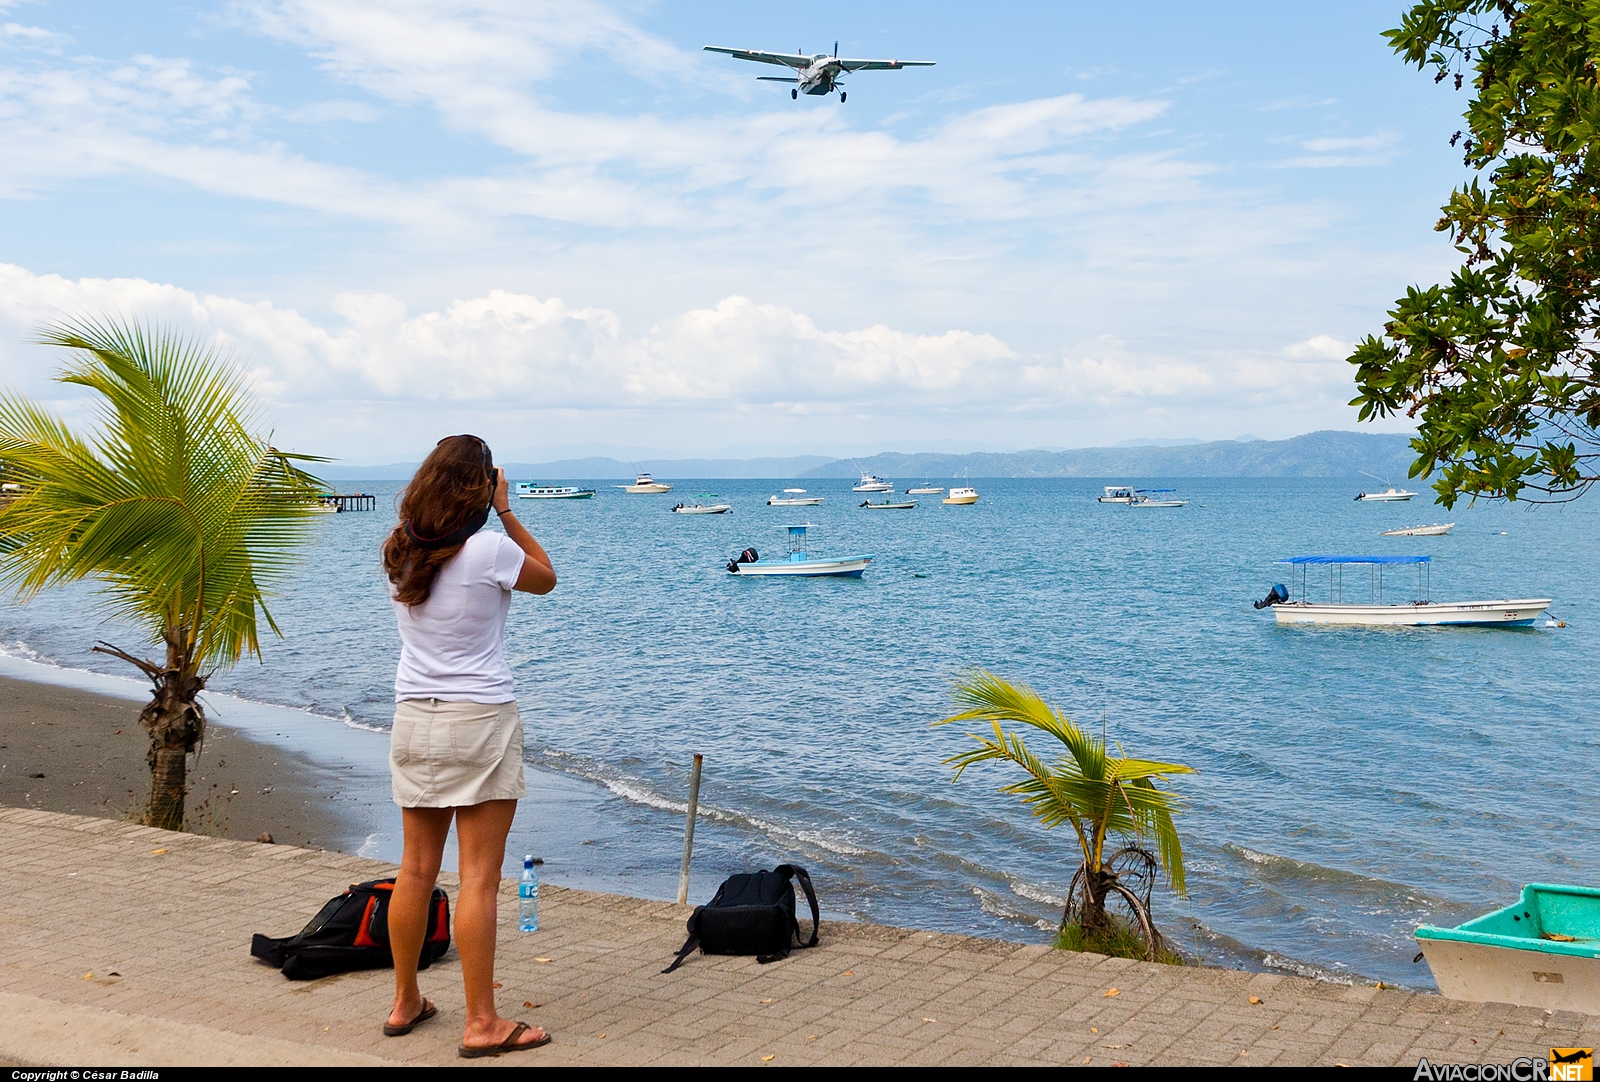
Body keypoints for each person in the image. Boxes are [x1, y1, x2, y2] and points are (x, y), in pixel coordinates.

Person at [378, 434, 558, 1057]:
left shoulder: (401, 547)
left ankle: (406, 1002)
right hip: (478, 718)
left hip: (413, 717)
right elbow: (548, 580)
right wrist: (507, 510)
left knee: (417, 870)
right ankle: (482, 1023)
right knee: (479, 876)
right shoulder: (488, 549)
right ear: (480, 487)